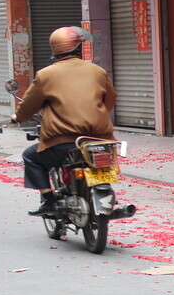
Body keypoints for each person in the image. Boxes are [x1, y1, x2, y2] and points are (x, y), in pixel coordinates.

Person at [11, 26, 117, 216]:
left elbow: (29, 105)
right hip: (99, 141)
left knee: (30, 156)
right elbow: (109, 99)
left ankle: (50, 201)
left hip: (63, 143)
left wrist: (17, 117)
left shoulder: (46, 75)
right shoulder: (97, 71)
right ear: (78, 48)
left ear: (55, 49)